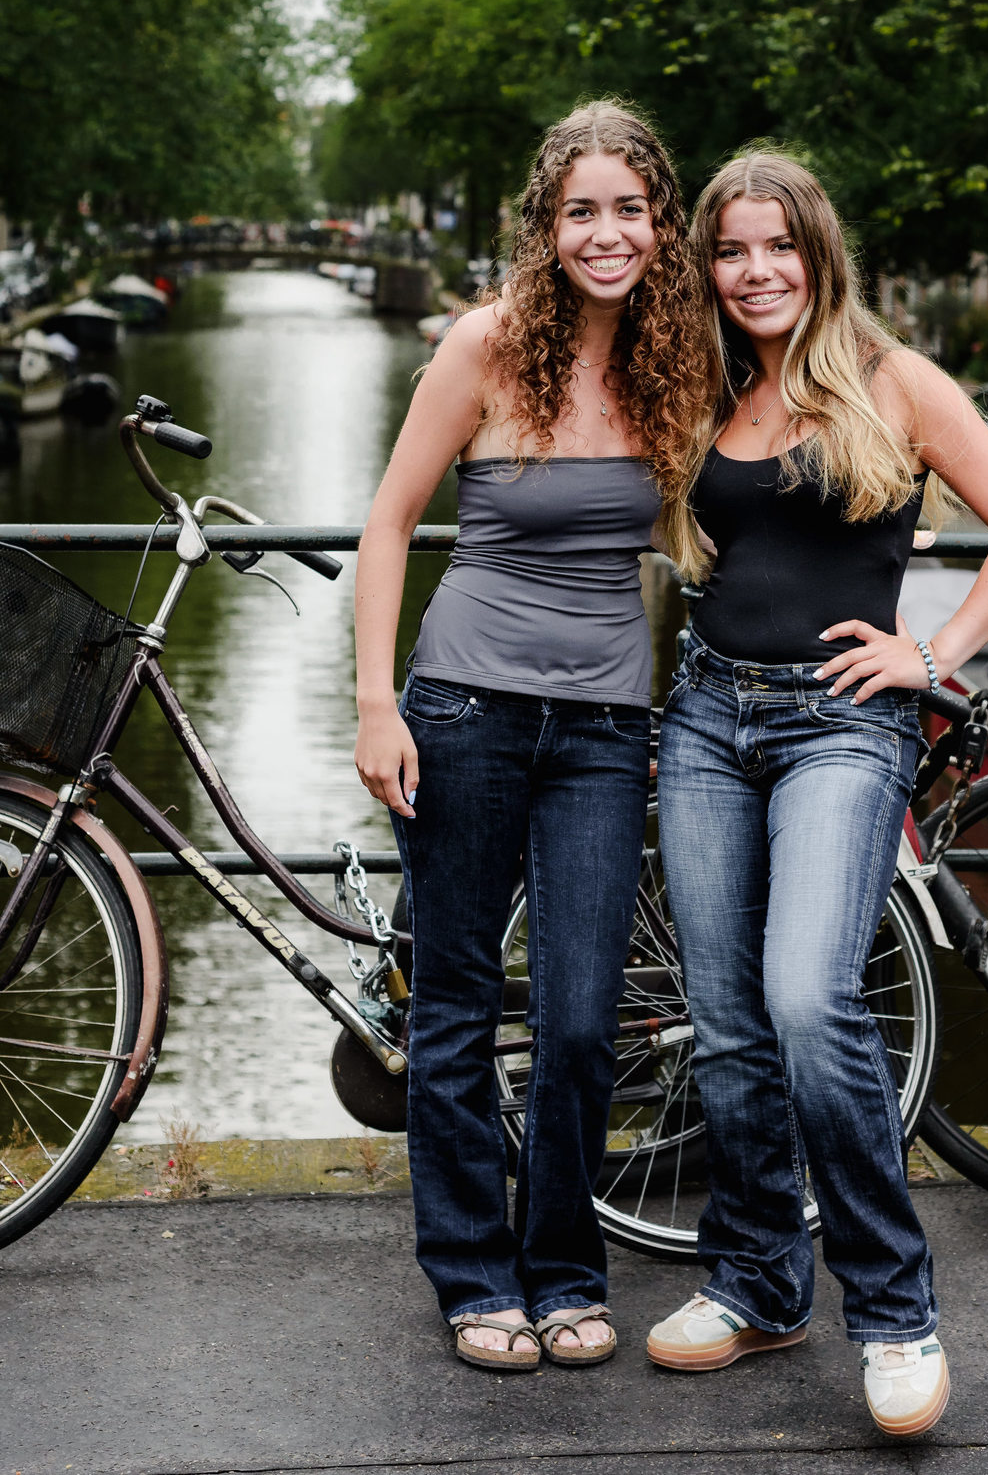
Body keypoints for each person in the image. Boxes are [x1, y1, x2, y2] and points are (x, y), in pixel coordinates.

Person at [648, 151, 988, 1436]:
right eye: (731, 249)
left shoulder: (891, 378)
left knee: (804, 999)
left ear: (818, 252)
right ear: (710, 265)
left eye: (777, 245)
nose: (755, 269)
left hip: (843, 723)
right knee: (720, 1018)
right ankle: (762, 1280)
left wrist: (931, 654)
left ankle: (893, 1312)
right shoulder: (712, 379)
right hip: (707, 715)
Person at [353, 102, 714, 1372]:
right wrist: (375, 703)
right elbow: (391, 522)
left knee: (577, 1018)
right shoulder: (488, 345)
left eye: (630, 210)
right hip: (464, 710)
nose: (606, 233)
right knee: (454, 1002)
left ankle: (564, 1268)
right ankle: (470, 1272)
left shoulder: (682, 361)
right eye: (581, 211)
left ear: (662, 225)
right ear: (546, 228)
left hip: (611, 727)